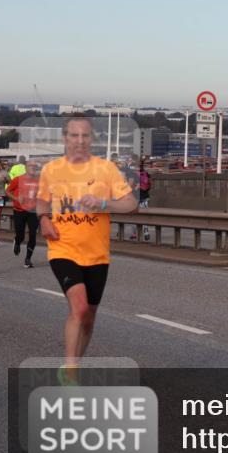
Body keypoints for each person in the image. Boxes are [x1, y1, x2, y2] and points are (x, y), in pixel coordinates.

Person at [36, 116, 138, 385]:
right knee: (79, 308)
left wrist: (104, 203)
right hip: (62, 248)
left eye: (85, 136)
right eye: (73, 136)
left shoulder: (106, 170)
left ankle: (73, 364)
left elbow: (130, 204)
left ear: (91, 139)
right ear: (64, 138)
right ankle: (71, 374)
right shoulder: (51, 170)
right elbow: (41, 202)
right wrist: (44, 220)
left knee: (89, 317)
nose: (79, 141)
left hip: (96, 253)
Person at [7, 159, 41, 267]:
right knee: (20, 234)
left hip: (33, 211)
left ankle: (28, 259)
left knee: (32, 235)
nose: (33, 168)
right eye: (31, 166)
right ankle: (17, 242)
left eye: (35, 166)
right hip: (19, 210)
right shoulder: (18, 179)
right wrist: (16, 198)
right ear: (26, 167)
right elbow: (7, 191)